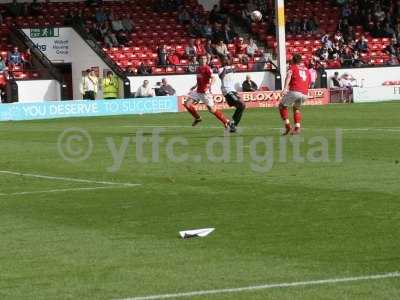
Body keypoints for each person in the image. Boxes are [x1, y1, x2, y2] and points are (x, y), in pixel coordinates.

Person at [184, 55, 232, 129]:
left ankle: (226, 121)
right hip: (198, 91)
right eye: (202, 58)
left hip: (205, 92)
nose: (203, 60)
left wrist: (210, 85)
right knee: (187, 104)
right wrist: (195, 85)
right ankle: (198, 118)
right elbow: (200, 79)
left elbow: (213, 78)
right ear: (199, 60)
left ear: (206, 60)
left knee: (212, 110)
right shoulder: (198, 68)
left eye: (205, 58)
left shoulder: (207, 68)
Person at [278, 54, 311, 135]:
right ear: (300, 61)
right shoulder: (307, 70)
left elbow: (288, 76)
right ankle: (297, 128)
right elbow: (309, 83)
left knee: (282, 106)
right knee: (296, 108)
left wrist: (285, 89)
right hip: (305, 93)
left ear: (293, 60)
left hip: (295, 91)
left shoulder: (292, 67)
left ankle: (288, 126)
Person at [218, 58, 246, 133]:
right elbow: (221, 77)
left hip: (233, 90)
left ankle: (233, 125)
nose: (226, 60)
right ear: (222, 62)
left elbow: (236, 68)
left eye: (227, 59)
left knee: (242, 106)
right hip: (227, 90)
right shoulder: (220, 69)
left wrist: (242, 62)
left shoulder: (231, 68)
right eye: (224, 60)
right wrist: (225, 69)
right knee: (241, 104)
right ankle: (232, 123)